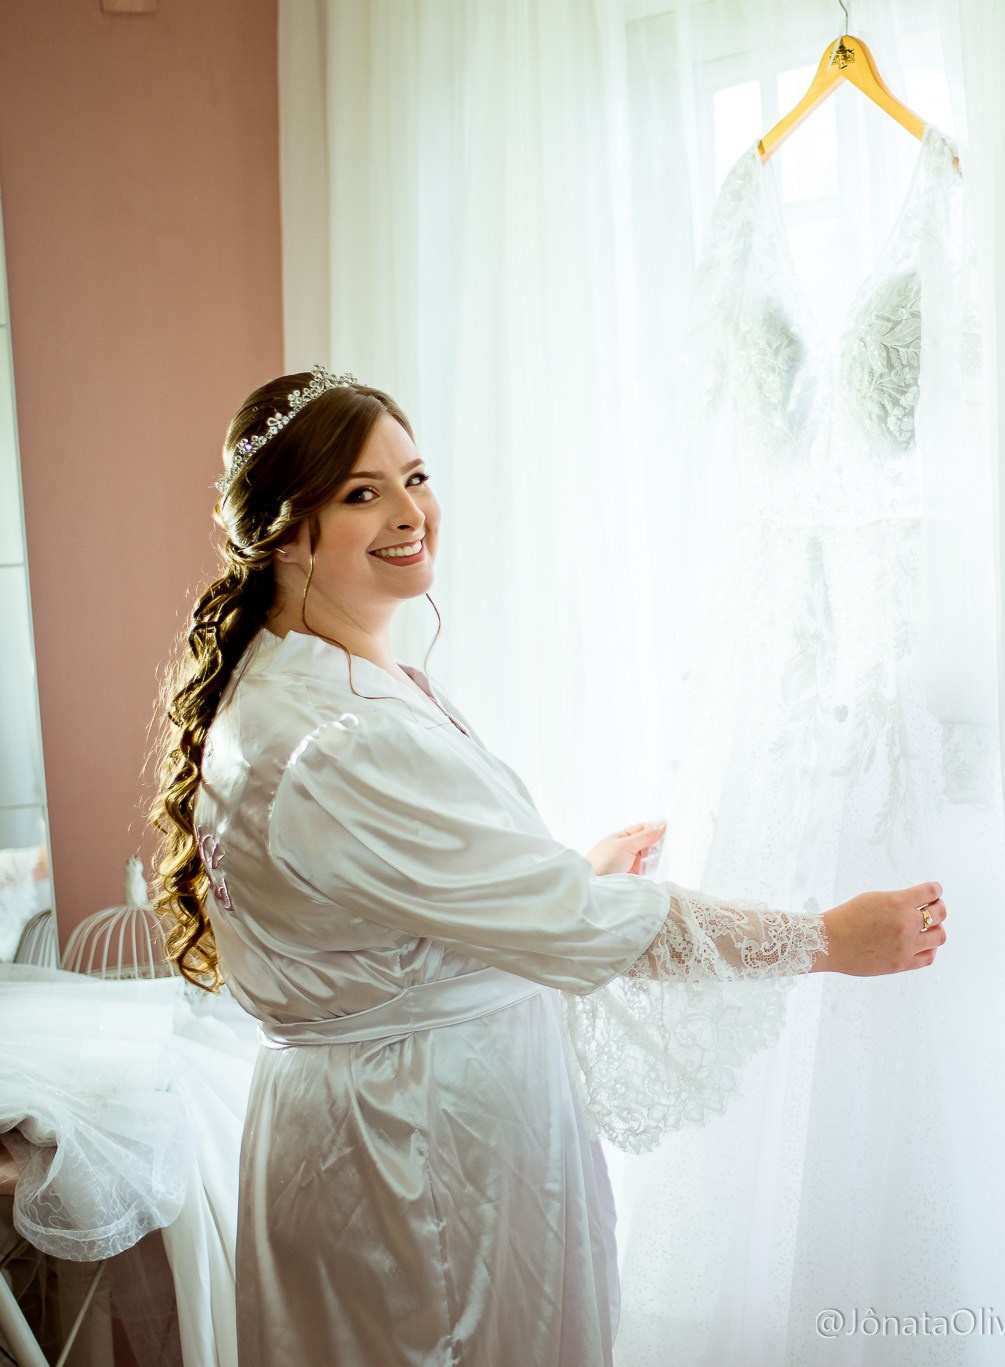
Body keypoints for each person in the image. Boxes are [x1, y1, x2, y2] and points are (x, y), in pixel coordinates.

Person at [144, 367, 950, 1366]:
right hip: (415, 1153)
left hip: (364, 1131)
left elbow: (384, 905)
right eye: (362, 493)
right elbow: (577, 923)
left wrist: (558, 869)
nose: (410, 512)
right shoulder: (336, 736)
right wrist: (822, 938)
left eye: (416, 475)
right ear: (280, 530)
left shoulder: (307, 680)